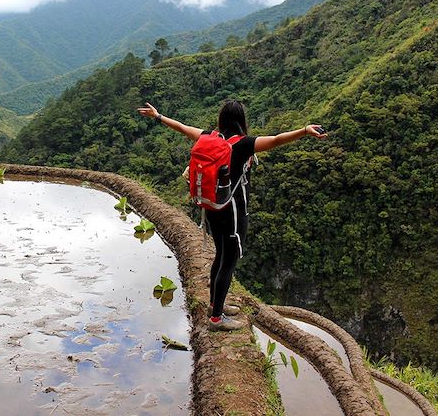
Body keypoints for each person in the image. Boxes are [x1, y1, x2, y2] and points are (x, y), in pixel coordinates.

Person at [137, 100, 327, 331]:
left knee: (220, 255)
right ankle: (216, 318)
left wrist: (158, 117)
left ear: (221, 120)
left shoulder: (210, 137)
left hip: (212, 207)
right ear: (241, 121)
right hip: (233, 211)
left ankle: (215, 304)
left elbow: (182, 127)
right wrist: (304, 131)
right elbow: (277, 139)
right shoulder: (244, 144)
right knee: (229, 261)